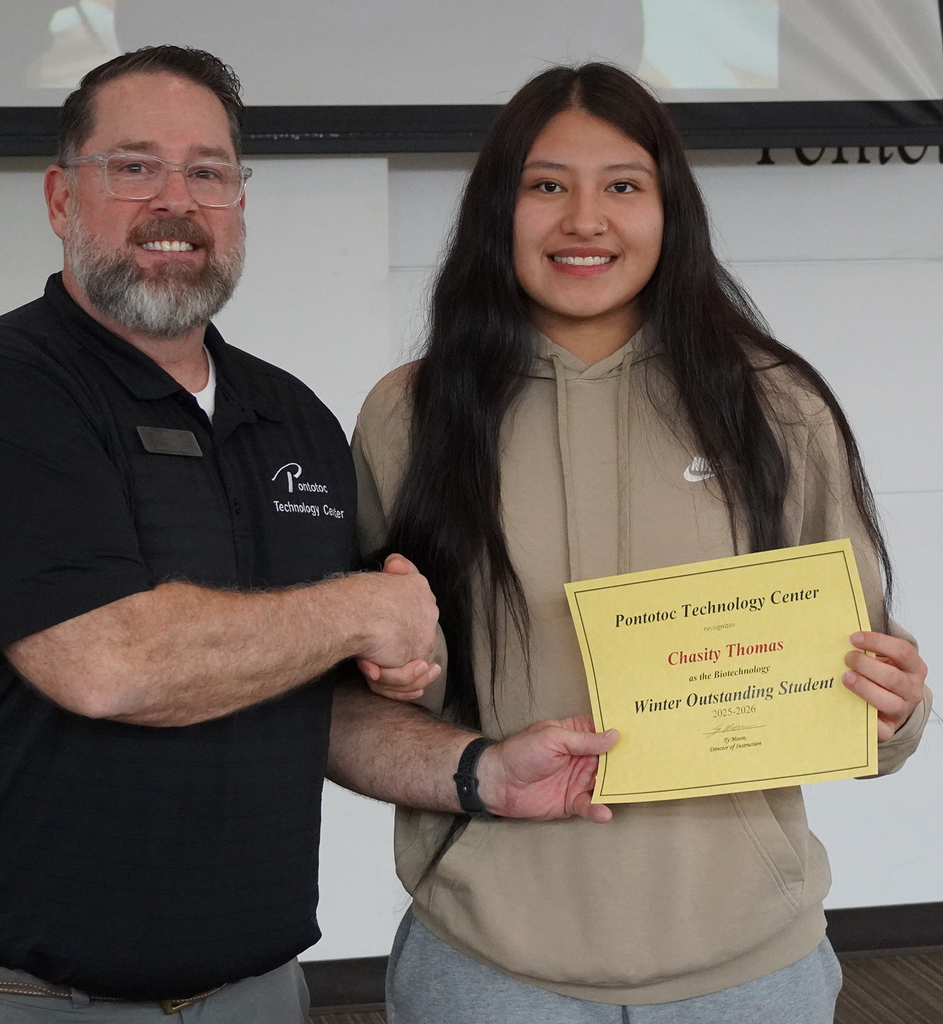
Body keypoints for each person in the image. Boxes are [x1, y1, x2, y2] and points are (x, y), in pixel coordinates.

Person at [0, 46, 621, 1023]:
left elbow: (313, 704)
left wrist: (478, 772)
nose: (176, 199)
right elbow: (104, 663)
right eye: (133, 166)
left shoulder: (289, 418)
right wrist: (358, 606)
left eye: (208, 171)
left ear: (238, 203)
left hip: (254, 992)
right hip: (18, 996)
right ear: (58, 198)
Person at [348, 63, 931, 1023]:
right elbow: (381, 682)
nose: (586, 220)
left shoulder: (776, 405)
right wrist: (388, 672)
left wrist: (894, 706)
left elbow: (868, 685)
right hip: (490, 965)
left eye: (624, 185)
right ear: (500, 209)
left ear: (672, 212)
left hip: (750, 965)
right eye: (546, 186)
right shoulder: (412, 414)